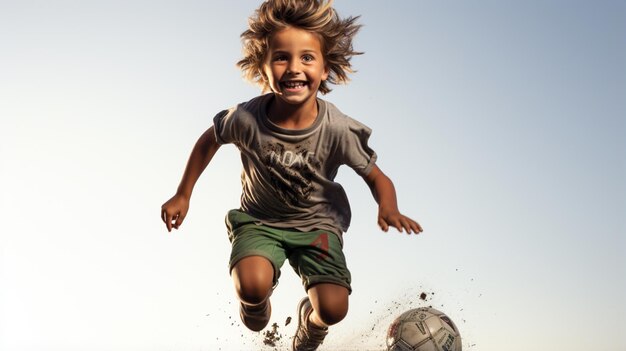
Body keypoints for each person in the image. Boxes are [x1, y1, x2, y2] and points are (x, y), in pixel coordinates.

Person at [161, 0, 423, 350]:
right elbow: (209, 140)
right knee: (251, 289)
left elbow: (377, 177)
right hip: (260, 222)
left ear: (325, 68)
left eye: (307, 58)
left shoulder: (338, 129)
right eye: (281, 57)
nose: (293, 68)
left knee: (333, 309)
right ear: (264, 66)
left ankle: (310, 325)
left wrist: (388, 207)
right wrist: (183, 193)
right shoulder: (246, 118)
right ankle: (256, 300)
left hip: (317, 227)